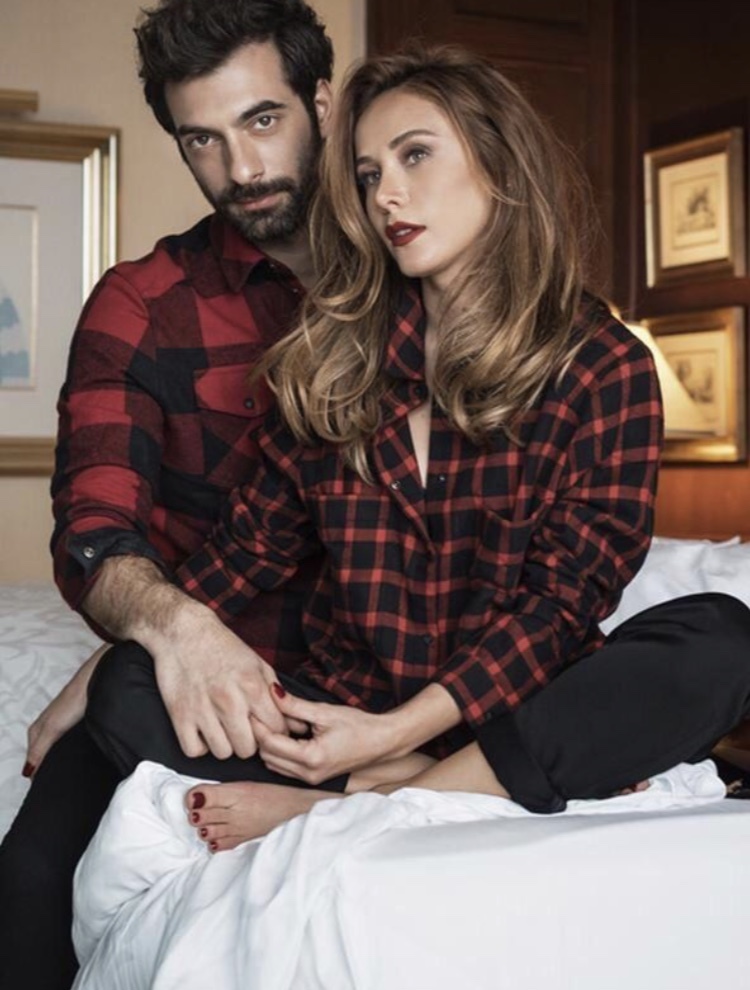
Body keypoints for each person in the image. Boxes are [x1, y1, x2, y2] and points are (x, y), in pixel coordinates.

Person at [85, 44, 750, 855]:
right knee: (126, 690)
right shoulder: (334, 358)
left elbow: (558, 609)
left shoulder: (604, 366)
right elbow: (242, 556)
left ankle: (370, 803)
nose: (386, 195)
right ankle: (462, 789)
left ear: (497, 162)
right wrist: (140, 646)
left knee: (724, 640)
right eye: (368, 175)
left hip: (509, 714)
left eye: (415, 156)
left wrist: (392, 737)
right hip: (350, 716)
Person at [0, 2, 335, 987]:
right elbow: (95, 534)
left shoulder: (419, 273)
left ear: (322, 102)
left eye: (263, 120)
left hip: (384, 678)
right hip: (189, 687)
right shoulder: (142, 303)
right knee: (27, 885)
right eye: (203, 139)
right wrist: (167, 632)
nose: (242, 168)